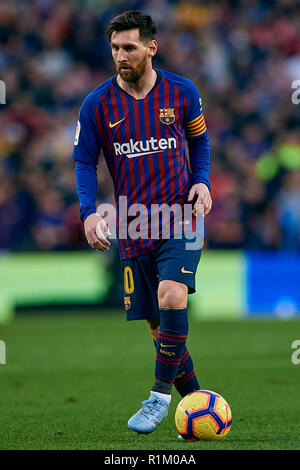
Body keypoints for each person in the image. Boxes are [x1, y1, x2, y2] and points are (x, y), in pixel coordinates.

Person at [72, 10, 212, 434]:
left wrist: (202, 182)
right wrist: (88, 211)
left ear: (152, 47)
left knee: (172, 296)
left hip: (179, 215)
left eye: (129, 47)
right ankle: (198, 403)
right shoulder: (97, 104)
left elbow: (200, 141)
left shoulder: (182, 92)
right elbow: (83, 160)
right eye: (115, 48)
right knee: (157, 324)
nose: (120, 55)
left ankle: (157, 399)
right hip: (133, 225)